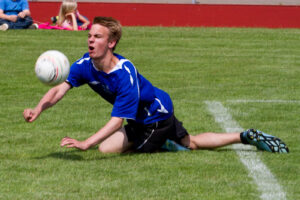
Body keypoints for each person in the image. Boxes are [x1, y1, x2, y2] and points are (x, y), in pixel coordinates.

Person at [23, 16, 289, 154]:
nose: (90, 41)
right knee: (191, 142)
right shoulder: (84, 64)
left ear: (111, 43)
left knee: (105, 148)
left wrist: (84, 143)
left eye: (97, 37)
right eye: (89, 35)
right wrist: (38, 109)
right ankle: (245, 136)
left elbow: (117, 121)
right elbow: (61, 88)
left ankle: (165, 144)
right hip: (150, 113)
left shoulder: (123, 75)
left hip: (155, 119)